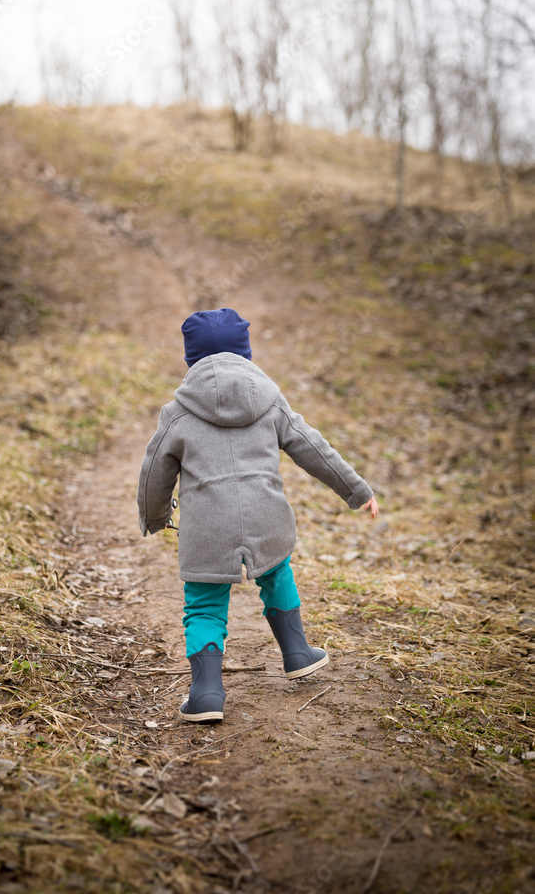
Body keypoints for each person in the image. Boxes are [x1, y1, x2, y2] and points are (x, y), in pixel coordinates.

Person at [137, 307, 378, 723]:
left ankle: (207, 694)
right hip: (267, 516)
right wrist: (356, 490)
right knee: (276, 573)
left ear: (190, 359)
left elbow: (154, 473)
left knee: (205, 606)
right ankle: (298, 653)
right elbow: (312, 448)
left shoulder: (177, 412)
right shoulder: (269, 400)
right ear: (246, 353)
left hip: (207, 528)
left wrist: (155, 516)